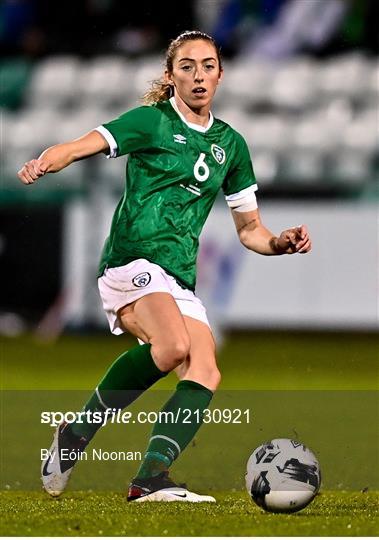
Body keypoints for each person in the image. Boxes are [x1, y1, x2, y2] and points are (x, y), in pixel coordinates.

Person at [18, 30, 311, 503]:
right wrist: (44, 162)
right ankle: (74, 435)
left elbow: (250, 230)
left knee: (206, 370)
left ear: (220, 73)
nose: (199, 76)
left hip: (177, 276)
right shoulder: (151, 122)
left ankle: (149, 479)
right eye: (188, 66)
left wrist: (281, 242)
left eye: (208, 66)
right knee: (172, 345)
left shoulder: (230, 146)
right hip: (131, 259)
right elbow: (78, 145)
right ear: (171, 75)